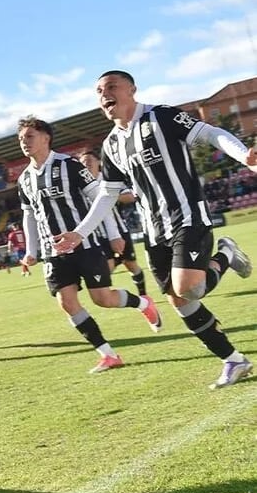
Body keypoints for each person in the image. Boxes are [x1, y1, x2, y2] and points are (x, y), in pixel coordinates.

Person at [55, 70, 255, 388]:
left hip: (188, 216)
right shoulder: (111, 145)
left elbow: (211, 134)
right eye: (98, 91)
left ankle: (226, 254)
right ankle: (233, 360)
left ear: (132, 89)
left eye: (111, 87)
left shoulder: (161, 117)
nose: (104, 94)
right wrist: (80, 232)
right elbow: (107, 194)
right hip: (153, 230)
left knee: (188, 286)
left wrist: (243, 155)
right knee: (181, 301)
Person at [16, 116, 163, 374]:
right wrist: (31, 251)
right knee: (66, 302)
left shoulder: (69, 165)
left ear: (45, 138)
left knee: (103, 299)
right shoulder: (24, 179)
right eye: (21, 138)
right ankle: (108, 355)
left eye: (29, 136)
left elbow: (100, 198)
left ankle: (143, 304)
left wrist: (114, 233)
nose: (24, 142)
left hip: (86, 245)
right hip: (53, 254)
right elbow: (29, 215)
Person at [77, 149, 148, 296]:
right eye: (83, 162)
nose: (86, 164)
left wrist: (107, 197)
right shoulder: (80, 186)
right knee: (106, 271)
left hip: (119, 231)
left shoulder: (108, 180)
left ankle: (143, 295)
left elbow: (130, 196)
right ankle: (125, 299)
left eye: (89, 160)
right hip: (98, 235)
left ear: (98, 162)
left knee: (132, 265)